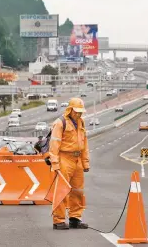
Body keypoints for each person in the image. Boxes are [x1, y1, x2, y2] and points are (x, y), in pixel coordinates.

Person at [49, 98, 90, 230]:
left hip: (77, 160)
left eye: (80, 112)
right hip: (64, 159)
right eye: (77, 111)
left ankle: (75, 218)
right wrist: (55, 163)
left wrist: (85, 162)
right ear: (70, 110)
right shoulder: (60, 123)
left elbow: (85, 144)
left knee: (78, 191)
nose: (79, 114)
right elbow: (54, 145)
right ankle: (58, 220)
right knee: (62, 191)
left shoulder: (81, 122)